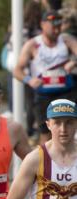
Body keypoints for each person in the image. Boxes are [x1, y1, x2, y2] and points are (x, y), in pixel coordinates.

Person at [14, 11, 77, 144]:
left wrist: (73, 61)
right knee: (46, 135)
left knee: (70, 131)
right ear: (43, 25)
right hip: (44, 96)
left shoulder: (66, 40)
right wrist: (29, 80)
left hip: (66, 93)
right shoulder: (33, 44)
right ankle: (45, 163)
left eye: (59, 26)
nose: (56, 30)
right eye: (53, 26)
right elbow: (17, 70)